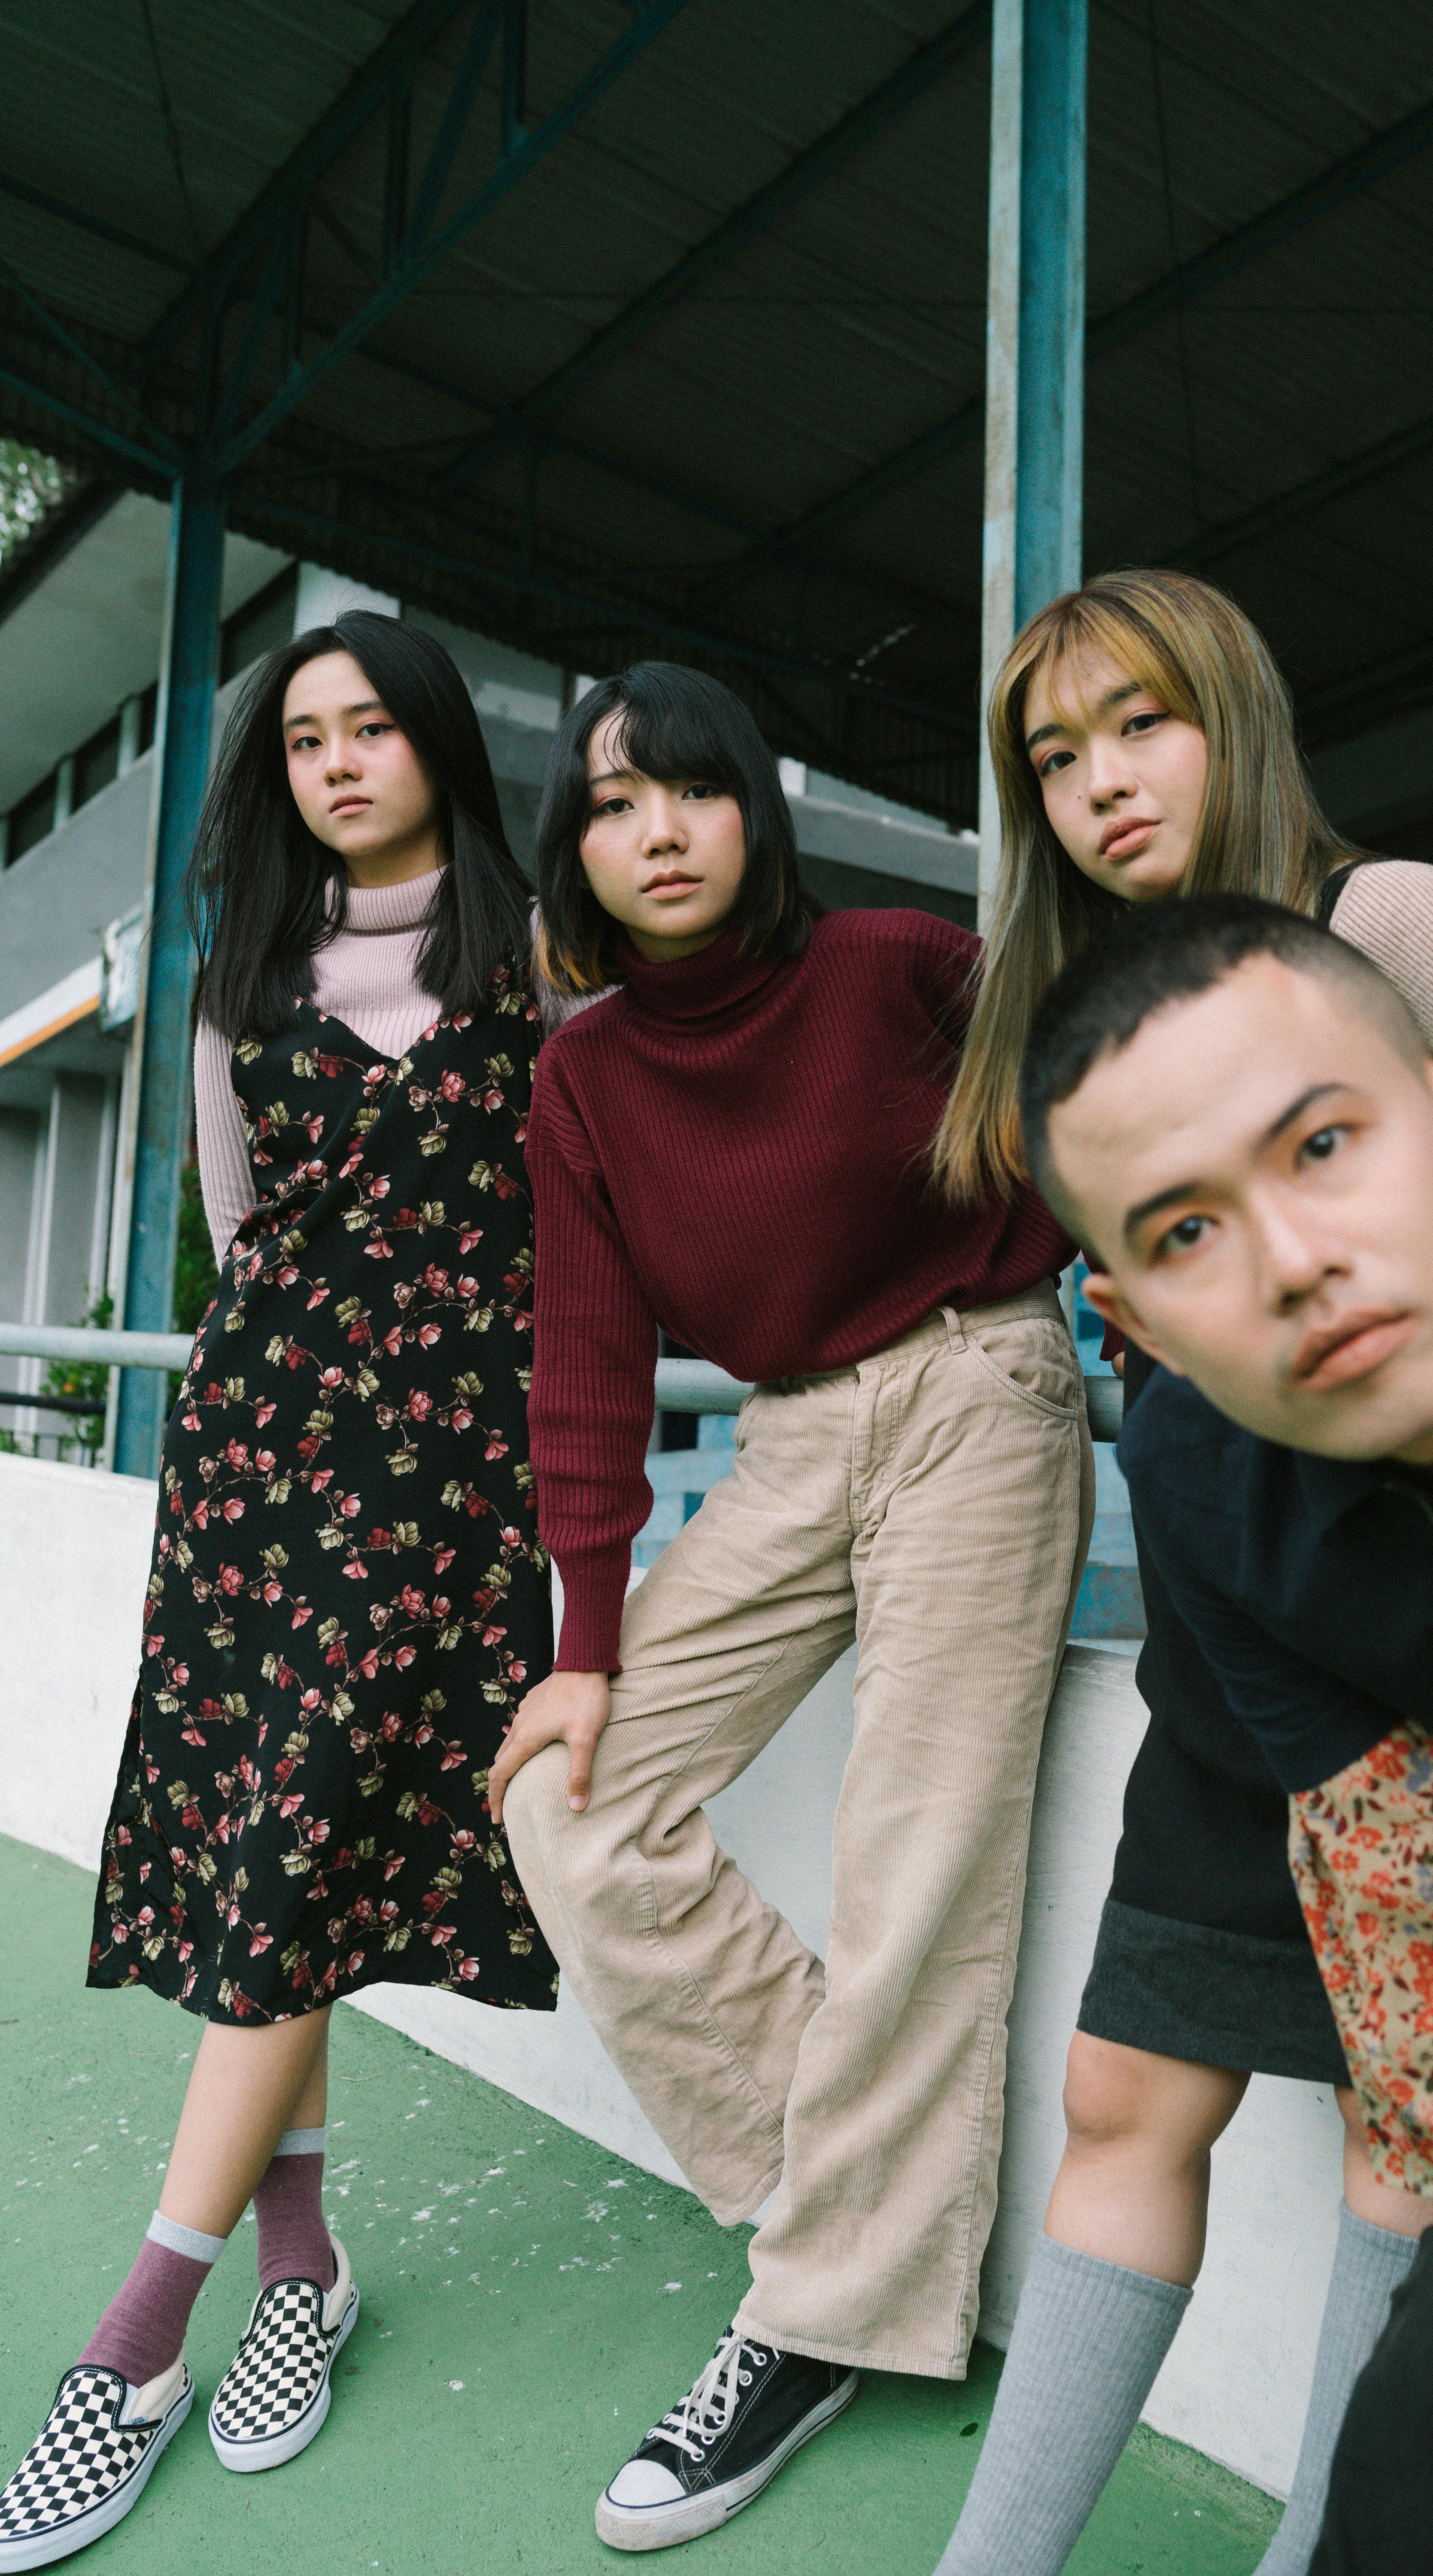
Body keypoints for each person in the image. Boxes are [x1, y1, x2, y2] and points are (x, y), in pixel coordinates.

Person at [932, 568, 1433, 2576]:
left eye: (1143, 725)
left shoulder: (1384, 928)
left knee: (1423, 2129)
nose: (1101, 786)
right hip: (1280, 1584)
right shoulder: (1067, 1038)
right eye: (1054, 757)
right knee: (1162, 2086)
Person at [484, 659, 1093, 2554]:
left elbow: (1111, 1098)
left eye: (690, 790)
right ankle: (862, 2194)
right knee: (563, 1806)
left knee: (914, 1863)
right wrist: (584, 1652)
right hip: (787, 1441)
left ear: (754, 809)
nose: (655, 830)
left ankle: (815, 2315)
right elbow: (584, 1369)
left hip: (978, 1391)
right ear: (573, 847)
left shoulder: (907, 968)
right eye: (609, 803)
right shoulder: (578, 1077)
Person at [0, 614, 559, 2571]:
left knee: (302, 1863)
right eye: (305, 737)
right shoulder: (243, 978)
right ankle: (280, 2270)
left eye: (372, 728)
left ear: (437, 753)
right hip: (262, 1473)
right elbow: (246, 1235)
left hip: (454, 1491)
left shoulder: (538, 969)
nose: (336, 760)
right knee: (285, 1861)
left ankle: (149, 2331)